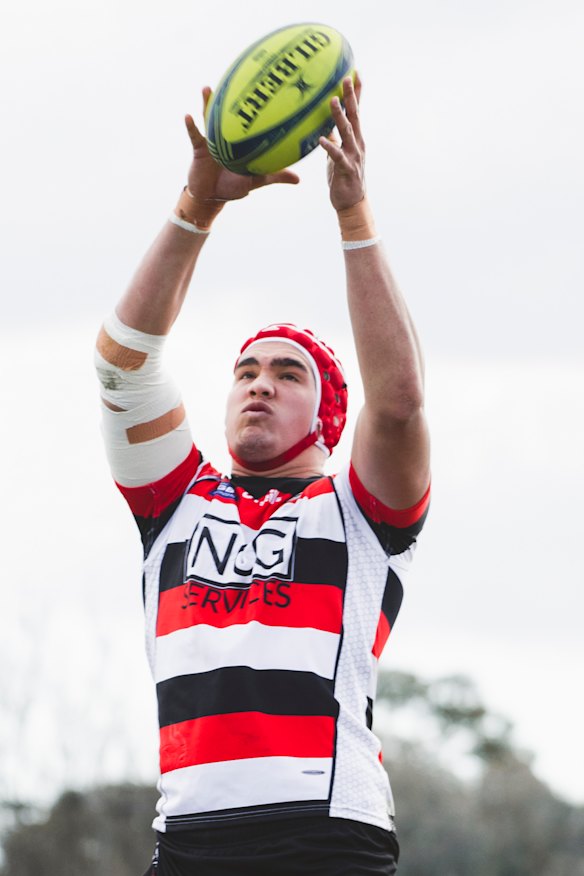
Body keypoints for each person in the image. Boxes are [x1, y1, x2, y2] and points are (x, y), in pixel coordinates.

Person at [95, 76, 430, 875]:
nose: (259, 382)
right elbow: (122, 361)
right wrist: (196, 207)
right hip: (187, 840)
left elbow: (400, 402)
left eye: (288, 373)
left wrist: (352, 215)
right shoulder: (174, 500)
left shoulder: (357, 511)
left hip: (325, 836)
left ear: (328, 414)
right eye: (246, 370)